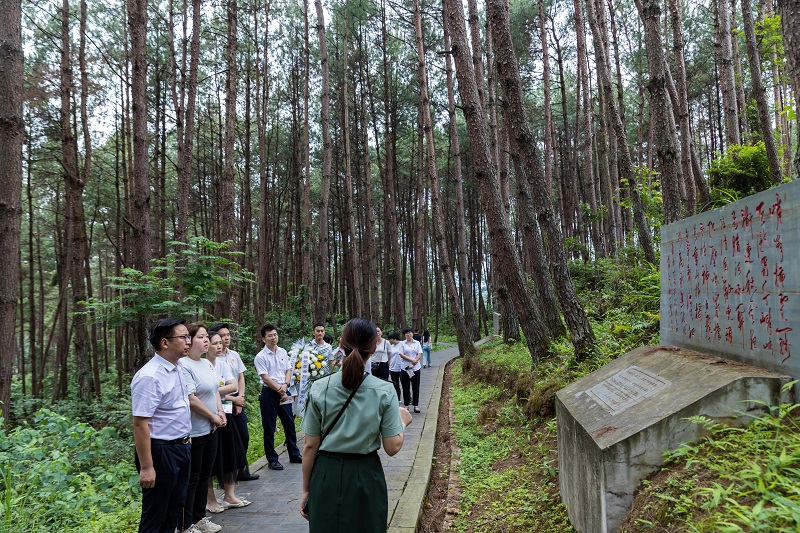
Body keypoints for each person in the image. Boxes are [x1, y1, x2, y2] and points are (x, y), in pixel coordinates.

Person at [299, 318, 412, 532]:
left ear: (341, 345)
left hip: (326, 475)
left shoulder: (319, 388)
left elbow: (310, 445)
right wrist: (403, 422)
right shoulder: (385, 390)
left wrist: (306, 490)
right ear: (374, 348)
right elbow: (392, 447)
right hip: (366, 475)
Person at [131, 318, 192, 533]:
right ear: (165, 342)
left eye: (188, 336)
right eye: (183, 337)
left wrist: (186, 438)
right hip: (160, 452)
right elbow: (140, 424)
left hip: (181, 448)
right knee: (155, 515)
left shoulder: (178, 367)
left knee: (173, 510)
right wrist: (147, 467)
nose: (188, 341)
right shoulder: (149, 377)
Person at [179, 323, 225, 533]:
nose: (206, 340)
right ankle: (185, 524)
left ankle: (200, 518)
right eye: (201, 337)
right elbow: (191, 399)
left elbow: (215, 390)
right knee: (192, 478)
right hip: (194, 431)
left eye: (207, 336)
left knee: (205, 475)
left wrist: (220, 412)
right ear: (189, 341)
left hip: (211, 429)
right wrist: (212, 416)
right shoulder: (184, 365)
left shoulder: (207, 363)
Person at [206, 332, 250, 511]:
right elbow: (207, 390)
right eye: (214, 343)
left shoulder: (223, 364)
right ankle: (210, 500)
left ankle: (230, 495)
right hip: (208, 415)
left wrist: (213, 389)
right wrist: (218, 389)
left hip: (225, 413)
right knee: (211, 459)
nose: (219, 346)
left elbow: (234, 385)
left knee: (232, 453)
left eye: (220, 343)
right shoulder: (202, 365)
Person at [209, 322, 258, 482]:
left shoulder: (234, 355)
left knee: (243, 436)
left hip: (236, 399)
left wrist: (240, 399)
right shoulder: (212, 359)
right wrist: (234, 399)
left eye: (228, 335)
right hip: (224, 403)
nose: (226, 338)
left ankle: (241, 470)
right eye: (222, 336)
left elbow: (240, 378)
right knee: (228, 441)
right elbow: (212, 390)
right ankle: (226, 474)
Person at [255, 324, 302, 470]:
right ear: (264, 339)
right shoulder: (260, 357)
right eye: (270, 336)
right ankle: (272, 459)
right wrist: (280, 391)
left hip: (284, 389)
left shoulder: (282, 351)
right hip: (269, 393)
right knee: (269, 427)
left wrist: (286, 386)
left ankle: (294, 453)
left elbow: (288, 370)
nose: (273, 338)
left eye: (275, 335)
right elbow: (265, 377)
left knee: (289, 423)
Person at [399, 327, 423, 413]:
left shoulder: (417, 343)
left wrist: (414, 362)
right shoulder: (402, 343)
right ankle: (406, 405)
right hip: (405, 368)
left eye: (409, 332)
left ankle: (416, 405)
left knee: (416, 386)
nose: (408, 334)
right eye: (406, 333)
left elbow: (420, 353)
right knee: (405, 387)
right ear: (404, 335)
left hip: (415, 368)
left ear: (412, 333)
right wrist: (412, 360)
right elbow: (401, 354)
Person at [387, 331, 403, 403]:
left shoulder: (402, 344)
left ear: (394, 338)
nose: (390, 341)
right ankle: (398, 398)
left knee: (404, 383)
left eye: (390, 339)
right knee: (395, 384)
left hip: (402, 367)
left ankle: (408, 398)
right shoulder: (391, 346)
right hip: (393, 368)